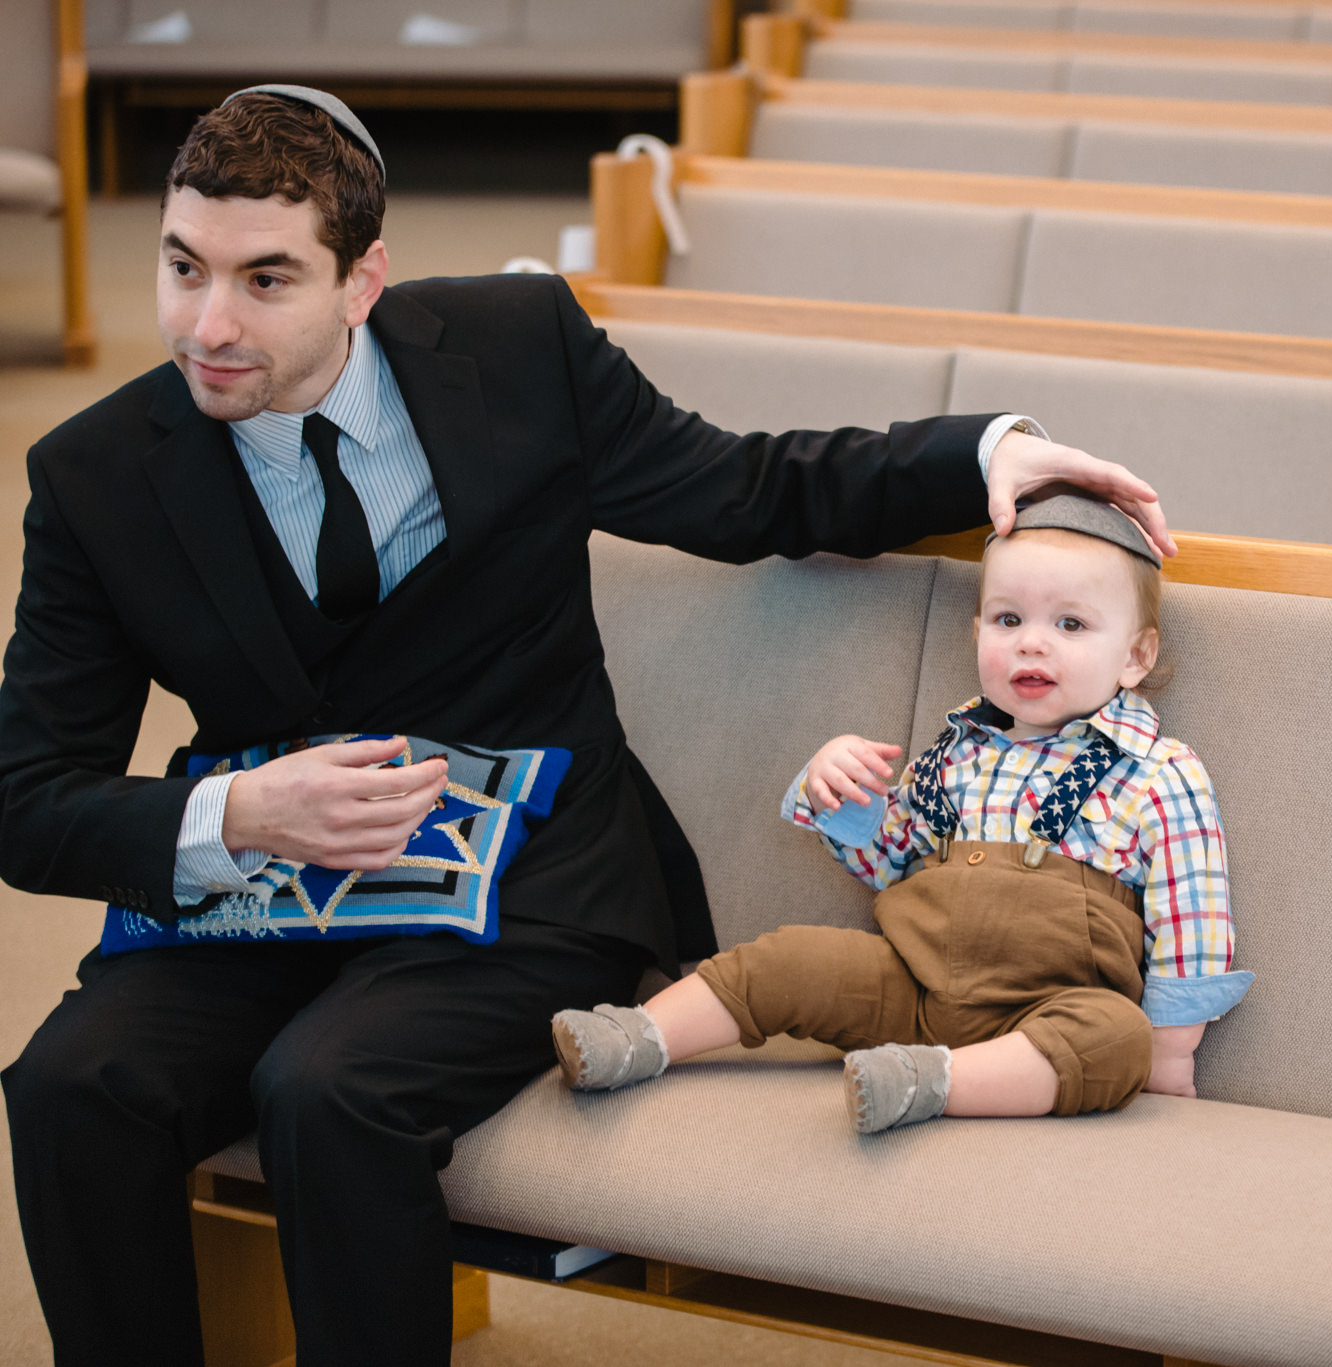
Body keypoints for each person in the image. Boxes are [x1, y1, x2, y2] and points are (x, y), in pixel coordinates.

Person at [0, 87, 1177, 1367]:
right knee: (72, 1087)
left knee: (329, 1088)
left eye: (264, 279)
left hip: (527, 881)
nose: (206, 324)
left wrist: (982, 452)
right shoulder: (93, 472)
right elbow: (29, 797)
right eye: (181, 268)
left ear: (361, 280)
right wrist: (236, 813)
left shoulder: (518, 348)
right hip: (267, 888)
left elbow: (741, 488)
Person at [551, 493, 1252, 1132]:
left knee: (1112, 1036)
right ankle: (638, 1036)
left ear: (1135, 656)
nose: (1032, 642)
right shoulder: (955, 754)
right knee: (788, 957)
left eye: (1071, 623)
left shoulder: (1159, 770)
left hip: (1047, 1008)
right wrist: (842, 793)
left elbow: (1192, 909)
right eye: (1009, 619)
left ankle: (928, 1083)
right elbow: (892, 864)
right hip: (910, 985)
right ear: (978, 630)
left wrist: (1170, 1053)